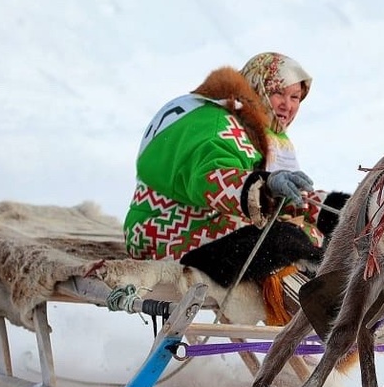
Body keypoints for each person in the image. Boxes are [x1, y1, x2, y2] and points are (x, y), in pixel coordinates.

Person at [124, 52, 343, 325]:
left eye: (295, 97)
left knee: (315, 233)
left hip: (210, 222)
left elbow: (283, 197)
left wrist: (341, 208)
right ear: (257, 87)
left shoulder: (261, 132)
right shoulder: (217, 123)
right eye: (279, 94)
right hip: (162, 230)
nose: (287, 105)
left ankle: (332, 311)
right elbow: (210, 180)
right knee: (282, 240)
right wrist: (264, 187)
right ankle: (324, 318)